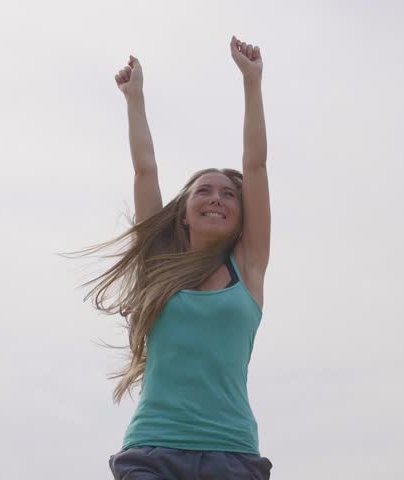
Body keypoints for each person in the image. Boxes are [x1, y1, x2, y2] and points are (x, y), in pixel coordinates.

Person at [68, 35, 272, 480]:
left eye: (229, 194)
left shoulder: (249, 267)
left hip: (231, 453)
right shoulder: (159, 266)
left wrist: (252, 83)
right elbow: (145, 169)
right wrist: (134, 98)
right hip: (154, 449)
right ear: (183, 212)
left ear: (242, 213)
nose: (216, 198)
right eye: (204, 190)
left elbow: (255, 166)